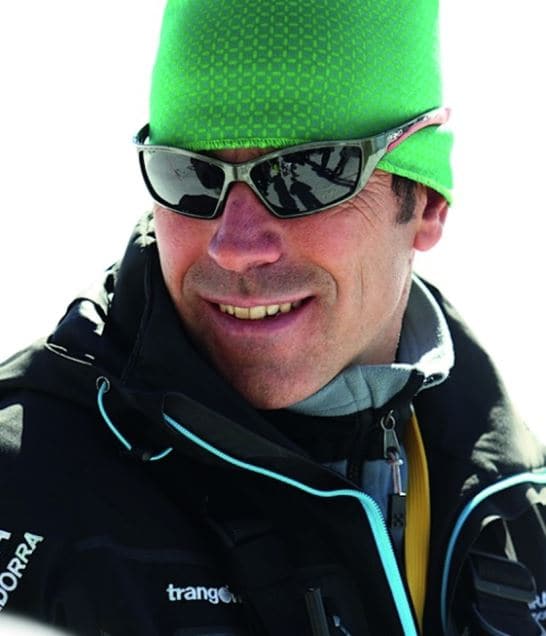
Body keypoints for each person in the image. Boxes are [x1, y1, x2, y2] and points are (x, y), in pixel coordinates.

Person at [1, 1, 545, 634]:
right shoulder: (24, 494)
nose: (234, 245)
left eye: (306, 175)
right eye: (190, 174)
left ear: (425, 202)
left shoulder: (517, 505)